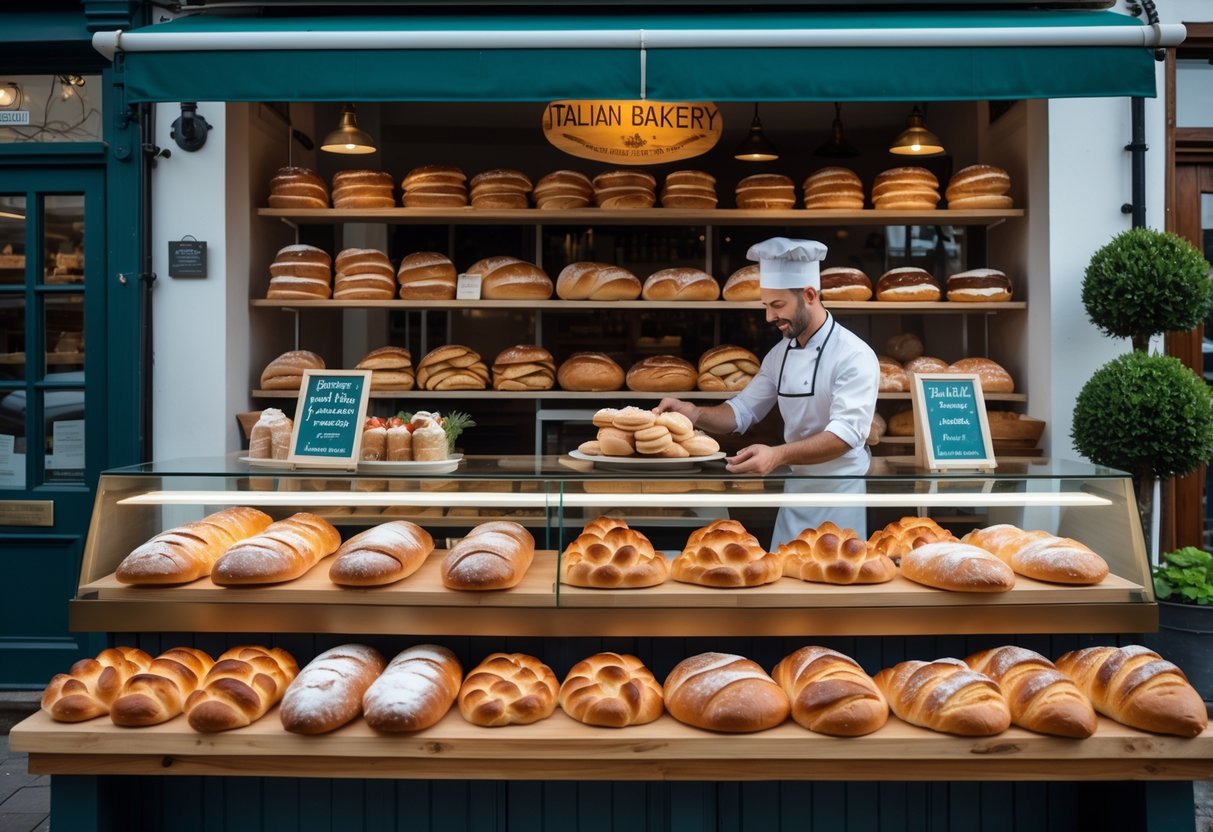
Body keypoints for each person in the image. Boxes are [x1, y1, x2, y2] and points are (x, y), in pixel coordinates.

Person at [656, 237, 879, 550]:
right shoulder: (780, 354)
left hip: (839, 499)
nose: (769, 317)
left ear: (810, 295)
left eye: (777, 306)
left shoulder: (854, 355)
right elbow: (742, 410)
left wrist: (778, 455)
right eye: (766, 306)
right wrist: (693, 413)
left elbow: (845, 435)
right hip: (795, 495)